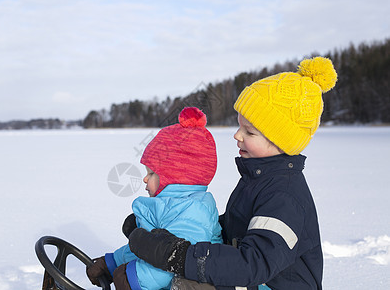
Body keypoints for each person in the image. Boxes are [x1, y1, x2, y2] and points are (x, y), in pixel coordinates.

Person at [128, 57, 338, 290]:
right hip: (256, 280)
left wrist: (176, 254)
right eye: (239, 126)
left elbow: (252, 265)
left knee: (189, 285)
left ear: (281, 141)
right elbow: (233, 231)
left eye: (249, 131)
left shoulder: (284, 196)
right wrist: (170, 225)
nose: (237, 136)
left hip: (272, 284)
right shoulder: (259, 179)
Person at [87, 107, 223, 290]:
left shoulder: (193, 212)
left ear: (174, 177)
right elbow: (149, 251)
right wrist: (111, 263)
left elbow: (172, 265)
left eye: (151, 173)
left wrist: (134, 278)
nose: (145, 178)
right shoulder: (169, 205)